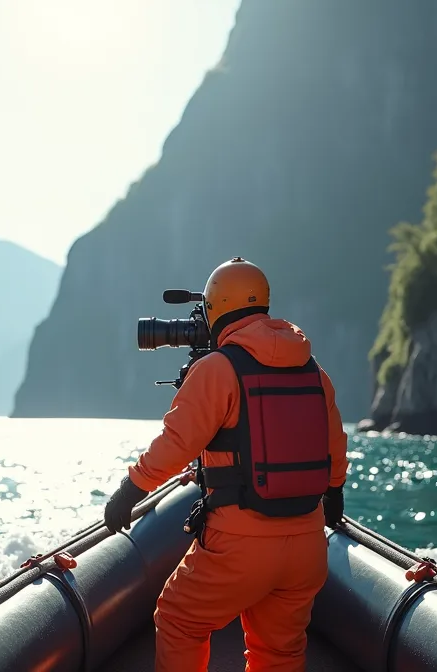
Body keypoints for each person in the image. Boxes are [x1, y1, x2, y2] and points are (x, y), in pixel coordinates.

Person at [102, 257, 348, 672]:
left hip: (240, 544)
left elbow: (177, 442)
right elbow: (335, 445)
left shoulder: (217, 369)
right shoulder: (314, 371)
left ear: (215, 310)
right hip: (307, 546)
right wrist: (335, 493)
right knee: (279, 652)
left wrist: (129, 491)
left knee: (178, 619)